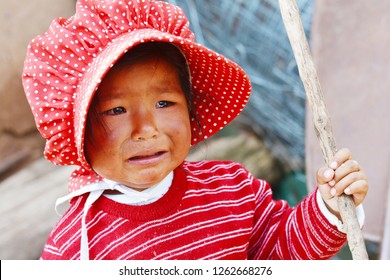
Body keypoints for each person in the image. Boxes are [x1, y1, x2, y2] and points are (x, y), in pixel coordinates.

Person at [22, 0, 368, 260]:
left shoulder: (231, 190)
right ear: (77, 131)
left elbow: (280, 250)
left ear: (191, 109)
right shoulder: (75, 247)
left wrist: (330, 207)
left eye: (164, 104)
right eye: (116, 110)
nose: (146, 129)